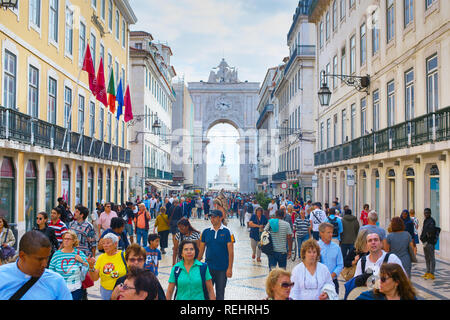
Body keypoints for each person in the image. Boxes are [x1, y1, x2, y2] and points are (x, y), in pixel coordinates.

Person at [0, 230, 72, 300]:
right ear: (22, 256)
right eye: (39, 259)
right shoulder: (2, 276)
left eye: (47, 258)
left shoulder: (57, 282)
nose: (45, 264)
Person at [198, 210, 235, 300]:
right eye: (211, 217)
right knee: (206, 293)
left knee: (220, 293)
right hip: (208, 268)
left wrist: (230, 268)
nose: (212, 219)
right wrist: (195, 264)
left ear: (220, 218)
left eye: (214, 217)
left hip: (222, 269)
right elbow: (201, 251)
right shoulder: (205, 232)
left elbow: (231, 252)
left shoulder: (228, 232)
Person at [48, 230, 89, 300]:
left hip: (76, 289)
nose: (66, 241)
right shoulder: (57, 254)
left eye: (68, 239)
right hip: (60, 289)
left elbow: (87, 267)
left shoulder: (79, 253)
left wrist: (81, 261)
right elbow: (51, 271)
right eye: (64, 239)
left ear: (73, 241)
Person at [87, 233, 128, 300]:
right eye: (103, 243)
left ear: (115, 244)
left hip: (122, 291)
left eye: (108, 243)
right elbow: (95, 278)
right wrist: (91, 267)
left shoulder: (124, 255)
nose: (105, 245)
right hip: (106, 292)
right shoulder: (101, 258)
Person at [318, 222, 343, 294]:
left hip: (333, 281)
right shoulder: (315, 247)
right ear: (321, 233)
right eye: (328, 232)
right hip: (318, 282)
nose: (331, 235)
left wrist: (331, 276)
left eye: (332, 232)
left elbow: (340, 265)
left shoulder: (336, 248)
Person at [420, 208, 439, 280]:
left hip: (430, 242)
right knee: (426, 257)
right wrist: (422, 238)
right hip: (425, 242)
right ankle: (428, 271)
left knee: (431, 258)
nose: (426, 214)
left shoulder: (432, 221)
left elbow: (430, 232)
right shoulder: (425, 220)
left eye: (427, 213)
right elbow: (424, 230)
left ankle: (432, 273)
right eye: (425, 213)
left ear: (430, 213)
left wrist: (425, 237)